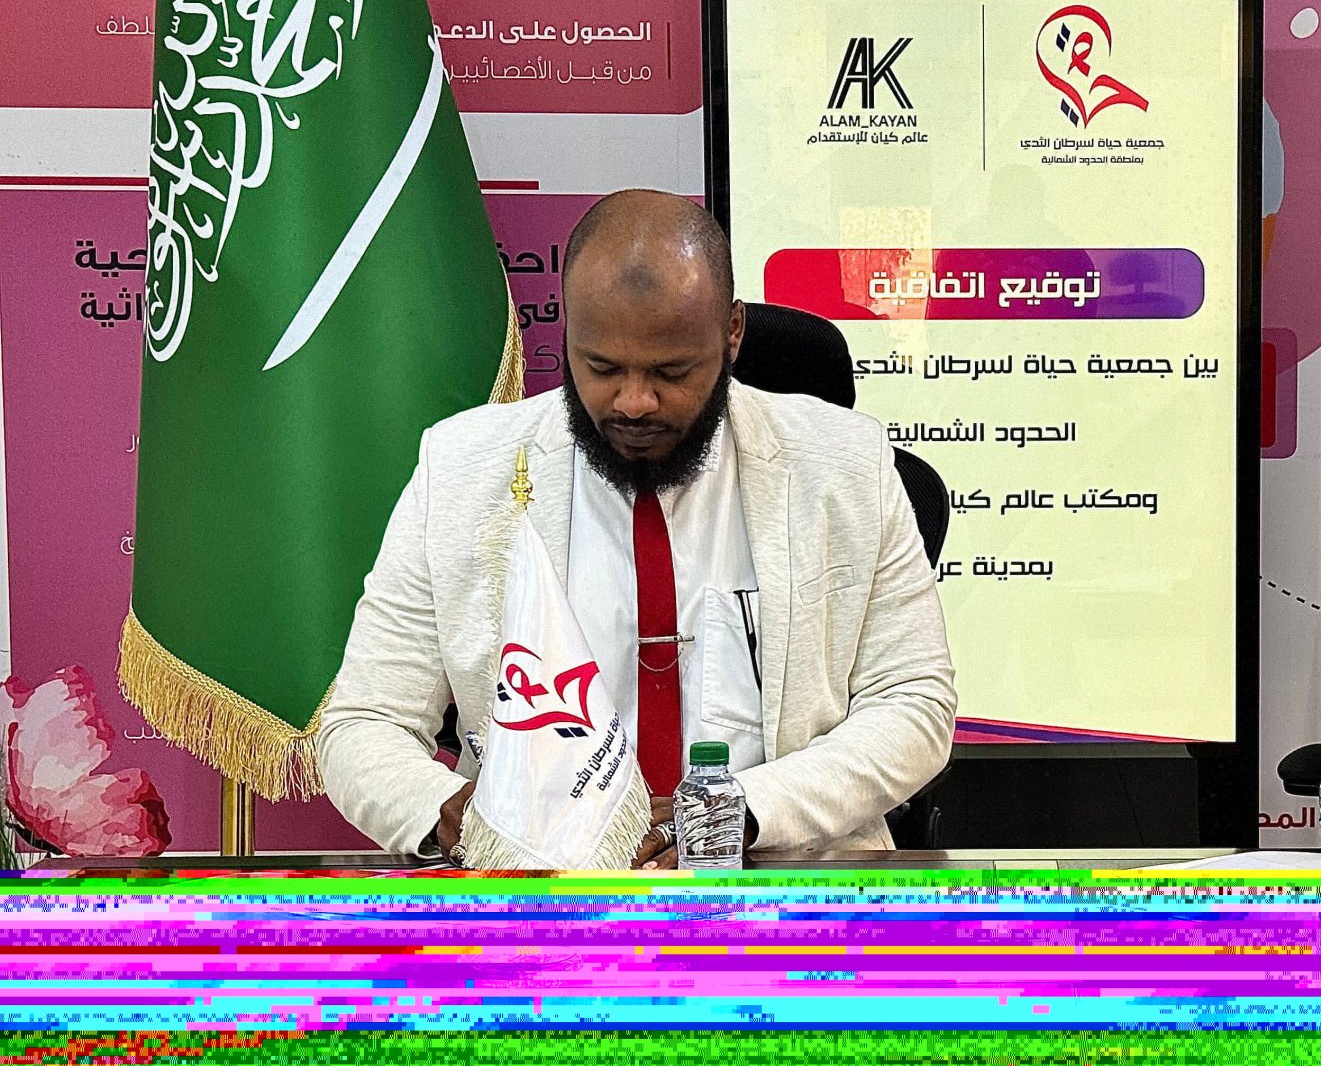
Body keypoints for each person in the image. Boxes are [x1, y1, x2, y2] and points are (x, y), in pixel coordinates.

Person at [316, 190, 956, 866]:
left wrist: (740, 810)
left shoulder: (845, 463)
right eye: (601, 367)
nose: (634, 401)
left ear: (731, 332)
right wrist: (456, 815)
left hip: (788, 886)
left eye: (670, 372)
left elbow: (914, 705)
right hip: (543, 894)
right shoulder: (462, 469)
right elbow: (363, 723)